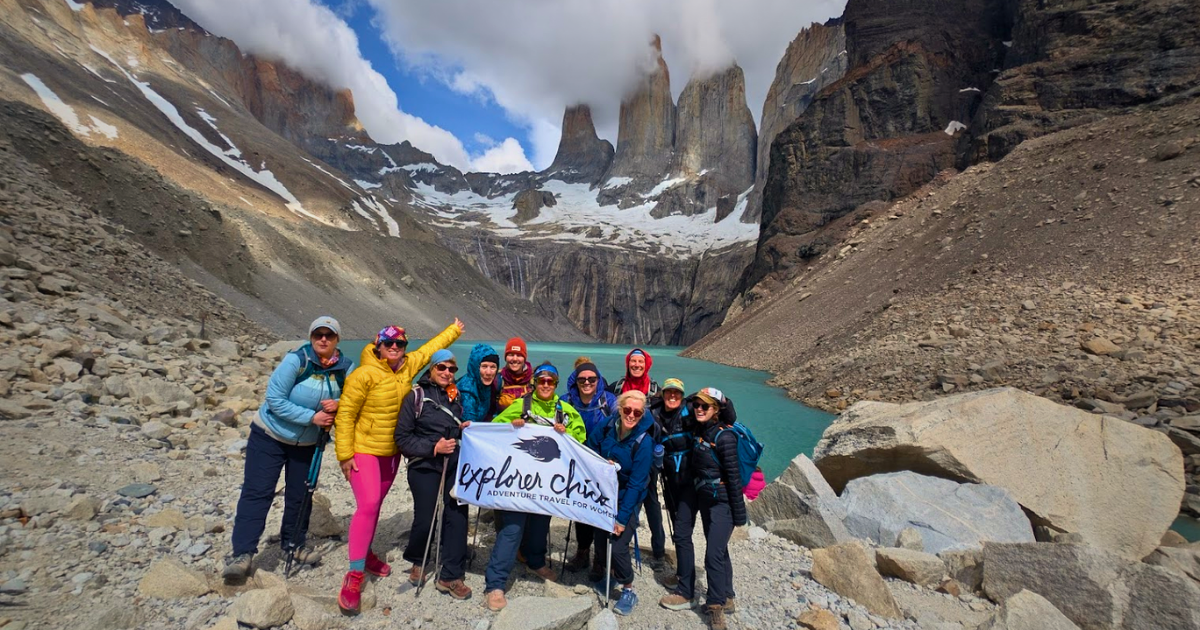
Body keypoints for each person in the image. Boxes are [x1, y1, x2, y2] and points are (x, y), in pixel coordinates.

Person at [333, 319, 463, 613]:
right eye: (389, 344)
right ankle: (354, 574)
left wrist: (453, 331)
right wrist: (344, 455)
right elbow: (345, 415)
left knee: (376, 505)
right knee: (367, 505)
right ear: (378, 346)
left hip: (392, 453)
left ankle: (364, 552)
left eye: (400, 344)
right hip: (364, 450)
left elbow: (433, 348)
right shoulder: (363, 374)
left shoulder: (407, 366)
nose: (394, 348)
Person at [223, 317, 353, 581]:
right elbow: (274, 400)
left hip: (306, 445)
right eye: (318, 334)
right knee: (258, 492)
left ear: (338, 339)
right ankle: (243, 553)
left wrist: (339, 403)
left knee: (300, 495)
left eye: (329, 335)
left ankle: (293, 545)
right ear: (311, 336)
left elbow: (354, 398)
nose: (323, 339)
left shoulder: (346, 368)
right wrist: (312, 418)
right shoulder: (297, 360)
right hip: (269, 436)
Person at [483, 362, 586, 612]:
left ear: (556, 384)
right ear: (535, 383)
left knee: (541, 523)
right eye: (542, 381)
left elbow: (580, 437)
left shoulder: (566, 410)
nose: (546, 385)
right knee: (512, 528)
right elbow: (494, 427)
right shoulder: (521, 405)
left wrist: (567, 432)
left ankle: (536, 561)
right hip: (519, 481)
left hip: (546, 483)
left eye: (551, 382)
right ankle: (494, 584)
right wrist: (512, 425)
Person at [659, 387, 746, 630]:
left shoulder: (725, 437)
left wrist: (739, 515)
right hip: (697, 491)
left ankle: (718, 605)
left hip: (720, 500)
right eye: (696, 405)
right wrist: (658, 398)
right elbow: (680, 404)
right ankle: (686, 590)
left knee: (714, 553)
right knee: (683, 533)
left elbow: (734, 478)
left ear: (716, 410)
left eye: (705, 406)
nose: (698, 409)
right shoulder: (697, 426)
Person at [395, 349, 472, 600]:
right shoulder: (415, 397)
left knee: (457, 515)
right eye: (442, 368)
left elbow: (457, 429)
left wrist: (463, 430)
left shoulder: (456, 397)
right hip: (424, 464)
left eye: (451, 369)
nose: (447, 373)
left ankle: (451, 574)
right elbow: (402, 438)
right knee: (426, 517)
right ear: (431, 369)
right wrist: (433, 448)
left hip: (453, 463)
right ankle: (419, 557)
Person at [586, 390, 654, 616]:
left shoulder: (644, 442)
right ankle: (611, 575)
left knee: (617, 543)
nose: (631, 415)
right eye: (627, 410)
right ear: (620, 409)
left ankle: (628, 588)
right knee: (599, 538)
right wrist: (602, 463)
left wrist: (623, 518)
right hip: (604, 493)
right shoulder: (608, 426)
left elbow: (636, 484)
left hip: (627, 496)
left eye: (637, 412)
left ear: (642, 414)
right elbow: (590, 446)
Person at [607, 349, 666, 566]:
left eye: (640, 361)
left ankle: (658, 550)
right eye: (633, 361)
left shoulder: (656, 391)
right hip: (620, 451)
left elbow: (667, 413)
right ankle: (617, 545)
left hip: (645, 455)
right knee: (619, 497)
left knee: (650, 500)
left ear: (647, 364)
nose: (636, 365)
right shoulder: (617, 387)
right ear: (628, 363)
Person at [563, 357, 619, 579]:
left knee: (602, 509)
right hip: (576, 465)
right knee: (580, 508)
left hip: (602, 465)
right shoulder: (566, 401)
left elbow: (621, 426)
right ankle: (583, 552)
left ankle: (600, 558)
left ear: (598, 380)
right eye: (582, 379)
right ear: (576, 381)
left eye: (591, 379)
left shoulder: (609, 401)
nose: (587, 382)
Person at [649, 377, 693, 589]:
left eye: (677, 393)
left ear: (682, 396)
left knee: (683, 530)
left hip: (690, 480)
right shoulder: (655, 414)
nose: (672, 396)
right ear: (663, 394)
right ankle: (683, 573)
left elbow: (726, 413)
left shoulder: (690, 412)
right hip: (669, 479)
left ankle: (686, 579)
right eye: (669, 392)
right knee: (679, 526)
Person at [458, 343, 501, 423]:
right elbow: (470, 423)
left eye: (493, 367)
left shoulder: (487, 386)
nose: (488, 372)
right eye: (484, 366)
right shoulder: (467, 390)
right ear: (475, 367)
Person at [497, 337, 532, 408]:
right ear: (505, 357)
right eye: (511, 355)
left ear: (524, 358)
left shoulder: (534, 380)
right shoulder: (498, 379)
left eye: (519, 355)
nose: (515, 359)